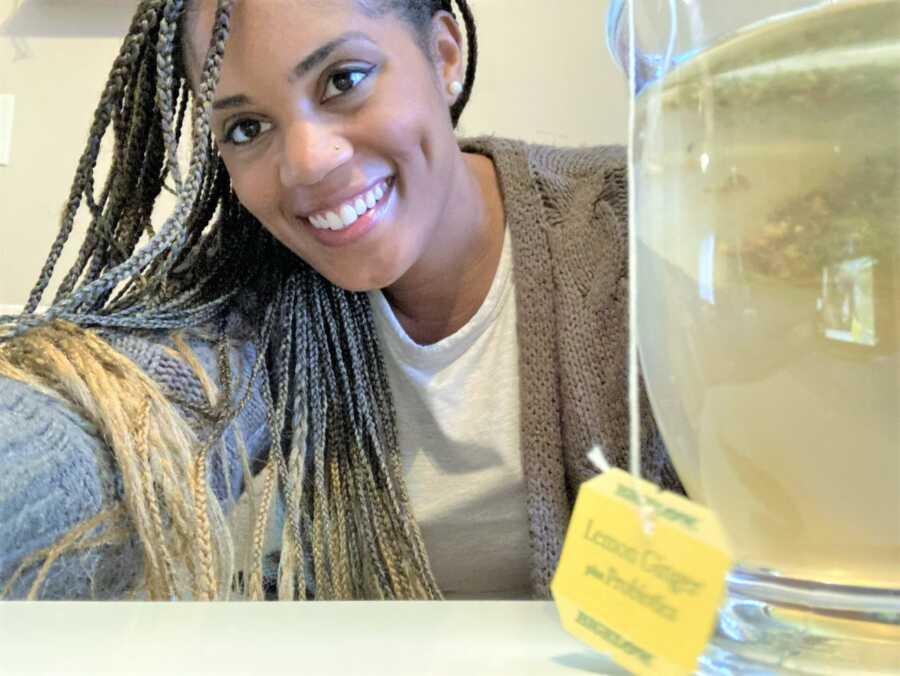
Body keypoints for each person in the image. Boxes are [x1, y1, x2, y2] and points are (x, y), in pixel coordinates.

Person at [0, 0, 682, 602]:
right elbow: (130, 409)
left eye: (343, 81)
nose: (307, 162)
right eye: (246, 128)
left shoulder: (649, 223)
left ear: (445, 54)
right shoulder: (259, 306)